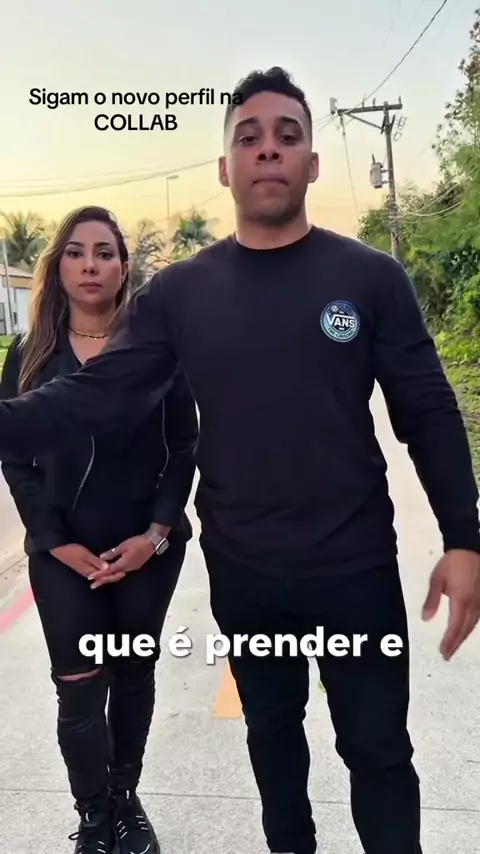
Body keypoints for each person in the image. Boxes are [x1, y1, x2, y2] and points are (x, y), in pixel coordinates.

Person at [0, 68, 479, 853]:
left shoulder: (369, 278)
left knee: (380, 754)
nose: (268, 150)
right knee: (273, 743)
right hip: (247, 571)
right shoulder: (181, 295)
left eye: (287, 136)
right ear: (225, 167)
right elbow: (94, 398)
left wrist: (463, 536)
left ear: (312, 162)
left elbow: (426, 410)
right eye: (249, 138)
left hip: (355, 566)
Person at [0, 205, 198, 854]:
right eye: (77, 252)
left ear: (123, 267)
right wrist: (55, 540)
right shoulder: (29, 354)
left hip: (146, 548)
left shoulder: (157, 351)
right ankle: (92, 817)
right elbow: (16, 458)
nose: (91, 264)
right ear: (58, 267)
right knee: (80, 686)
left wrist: (155, 534)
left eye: (105, 252)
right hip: (62, 552)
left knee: (133, 674)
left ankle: (124, 798)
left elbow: (184, 446)